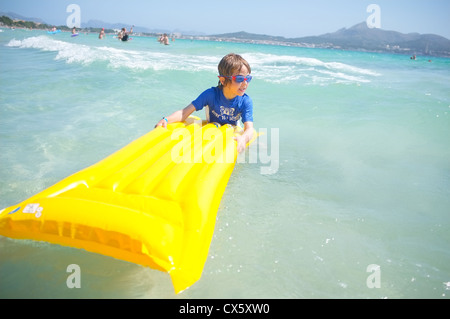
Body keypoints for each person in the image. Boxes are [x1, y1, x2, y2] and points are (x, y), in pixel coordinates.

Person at [155, 53, 254, 153]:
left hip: (232, 130)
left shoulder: (245, 101)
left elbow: (249, 129)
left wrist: (243, 139)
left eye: (248, 78)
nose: (245, 84)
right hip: (212, 127)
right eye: (240, 79)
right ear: (223, 80)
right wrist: (166, 119)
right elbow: (184, 113)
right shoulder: (210, 95)